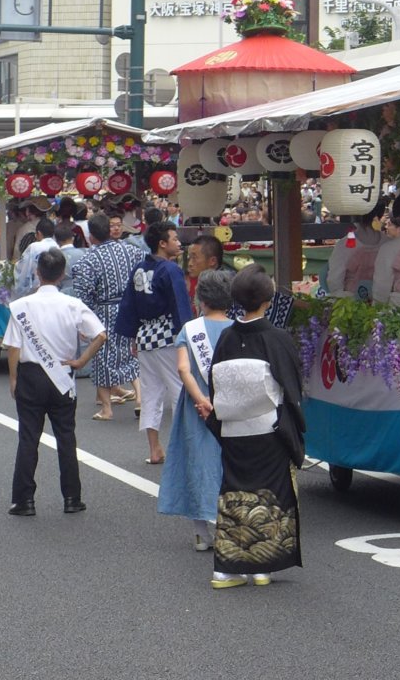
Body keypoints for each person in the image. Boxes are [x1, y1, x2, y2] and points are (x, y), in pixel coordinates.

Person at [207, 266, 306, 588]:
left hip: (234, 429)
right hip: (270, 429)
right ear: (268, 300)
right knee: (270, 493)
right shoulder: (277, 338)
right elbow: (292, 387)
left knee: (234, 492)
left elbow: (215, 386)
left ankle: (226, 569)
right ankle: (263, 566)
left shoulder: (226, 337)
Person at [4, 248, 106, 517]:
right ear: (62, 274)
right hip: (62, 377)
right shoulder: (73, 305)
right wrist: (82, 361)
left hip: (31, 376)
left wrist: (13, 378)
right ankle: (72, 498)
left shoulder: (22, 306)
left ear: (37, 273)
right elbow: (100, 335)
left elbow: (13, 347)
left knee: (28, 438)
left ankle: (24, 501)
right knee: (66, 438)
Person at [159, 270, 234, 550]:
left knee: (197, 462)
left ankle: (202, 532)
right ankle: (229, 525)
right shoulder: (237, 328)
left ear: (200, 298)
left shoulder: (189, 330)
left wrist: (200, 399)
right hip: (229, 405)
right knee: (227, 462)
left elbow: (182, 368)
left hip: (195, 407)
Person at [117, 224, 193, 466]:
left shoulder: (139, 268)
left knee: (151, 394)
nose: (179, 242)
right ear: (162, 243)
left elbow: (129, 305)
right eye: (174, 238)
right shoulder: (170, 269)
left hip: (145, 336)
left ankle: (154, 448)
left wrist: (132, 336)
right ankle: (187, 446)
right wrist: (187, 336)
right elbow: (180, 305)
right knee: (180, 390)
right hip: (169, 334)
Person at [66, 212, 143, 419]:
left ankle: (107, 408)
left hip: (104, 310)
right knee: (132, 351)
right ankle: (139, 397)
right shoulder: (132, 252)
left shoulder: (87, 261)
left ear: (91, 235)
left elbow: (83, 295)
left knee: (103, 355)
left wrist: (84, 323)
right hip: (130, 307)